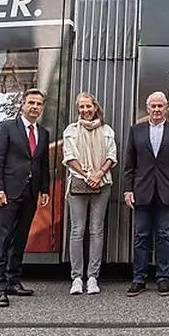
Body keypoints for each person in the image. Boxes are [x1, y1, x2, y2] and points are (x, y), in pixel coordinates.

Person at [0, 88, 51, 307]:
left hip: (31, 193)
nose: (35, 107)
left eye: (39, 104)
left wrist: (45, 189)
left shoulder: (43, 133)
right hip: (8, 192)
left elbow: (43, 164)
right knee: (2, 239)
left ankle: (14, 280)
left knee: (20, 238)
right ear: (22, 105)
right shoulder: (7, 128)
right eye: (31, 103)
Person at [122, 91, 169, 296]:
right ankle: (139, 279)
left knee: (164, 236)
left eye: (161, 106)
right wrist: (127, 189)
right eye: (153, 106)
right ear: (147, 107)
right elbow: (129, 165)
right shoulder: (136, 131)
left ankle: (163, 278)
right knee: (141, 236)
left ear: (166, 108)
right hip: (142, 191)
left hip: (167, 191)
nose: (157, 109)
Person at [62, 92, 117, 296]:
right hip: (78, 183)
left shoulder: (107, 131)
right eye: (82, 107)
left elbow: (112, 156)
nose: (85, 110)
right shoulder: (71, 131)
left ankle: (93, 277)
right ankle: (76, 278)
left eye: (88, 106)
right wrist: (88, 175)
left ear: (96, 107)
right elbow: (69, 157)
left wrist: (99, 173)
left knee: (97, 230)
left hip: (102, 184)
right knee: (77, 230)